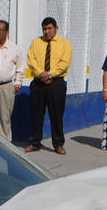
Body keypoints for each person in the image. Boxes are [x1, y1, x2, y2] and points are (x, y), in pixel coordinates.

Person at [25, 17, 72, 154]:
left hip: (56, 83)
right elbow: (31, 60)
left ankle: (58, 144)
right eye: (44, 29)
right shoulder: (36, 42)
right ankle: (34, 143)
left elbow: (64, 63)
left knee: (56, 115)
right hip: (38, 82)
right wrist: (41, 74)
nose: (46, 31)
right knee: (36, 114)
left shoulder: (65, 43)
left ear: (56, 28)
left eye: (49, 28)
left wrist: (50, 74)